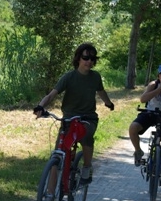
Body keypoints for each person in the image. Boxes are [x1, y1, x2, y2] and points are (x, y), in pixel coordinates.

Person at [33, 43, 115, 186]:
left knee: (86, 136)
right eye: (86, 58)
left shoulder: (95, 77)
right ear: (78, 58)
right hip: (69, 119)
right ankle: (50, 193)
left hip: (88, 118)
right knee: (58, 153)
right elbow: (51, 95)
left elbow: (101, 92)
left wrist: (108, 103)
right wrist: (41, 106)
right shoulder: (69, 77)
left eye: (92, 59)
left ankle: (87, 168)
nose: (89, 61)